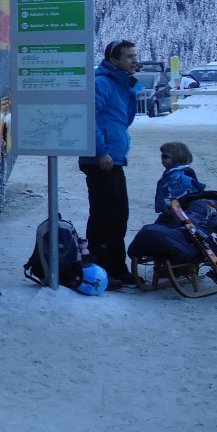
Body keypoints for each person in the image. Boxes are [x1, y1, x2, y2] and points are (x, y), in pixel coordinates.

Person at [78, 39, 141, 290]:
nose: (135, 60)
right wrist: (100, 151)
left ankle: (117, 267)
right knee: (104, 216)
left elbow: (121, 120)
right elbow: (88, 117)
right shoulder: (101, 83)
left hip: (114, 159)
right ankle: (100, 269)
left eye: (135, 56)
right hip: (101, 160)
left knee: (119, 216)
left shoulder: (120, 83)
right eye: (129, 57)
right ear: (113, 60)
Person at [153, 142, 204, 225]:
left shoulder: (178, 177)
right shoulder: (176, 172)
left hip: (176, 216)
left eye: (165, 156)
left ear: (177, 157)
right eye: (161, 155)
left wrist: (167, 208)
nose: (161, 159)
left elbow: (178, 199)